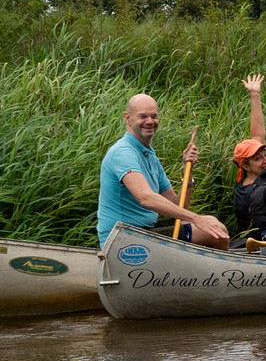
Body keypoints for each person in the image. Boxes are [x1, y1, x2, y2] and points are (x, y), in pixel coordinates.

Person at [97, 93, 230, 249]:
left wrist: (189, 169)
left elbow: (178, 206)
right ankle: (219, 273)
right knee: (217, 232)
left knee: (213, 222)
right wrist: (195, 219)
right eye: (143, 116)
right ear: (128, 118)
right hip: (123, 238)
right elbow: (145, 198)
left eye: (154, 116)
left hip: (143, 230)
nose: (150, 121)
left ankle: (196, 270)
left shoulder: (149, 154)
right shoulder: (123, 152)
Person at [232, 73, 266, 229]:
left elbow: (258, 134)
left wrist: (255, 94)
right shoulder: (248, 194)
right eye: (258, 159)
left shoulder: (256, 177)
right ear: (246, 167)